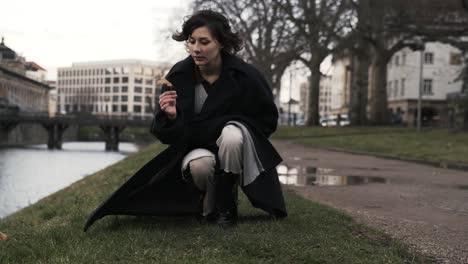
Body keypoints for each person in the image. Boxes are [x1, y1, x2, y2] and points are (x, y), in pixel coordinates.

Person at [84, 10, 287, 231]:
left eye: (204, 42)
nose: (196, 49)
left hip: (234, 146)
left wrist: (237, 129)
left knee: (232, 135)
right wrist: (172, 117)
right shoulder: (178, 76)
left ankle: (227, 204)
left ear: (220, 43)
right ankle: (208, 205)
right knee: (200, 166)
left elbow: (267, 120)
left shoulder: (245, 76)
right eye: (191, 41)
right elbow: (165, 135)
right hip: (196, 146)